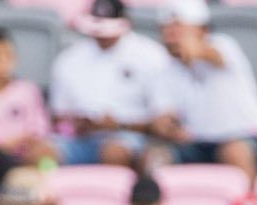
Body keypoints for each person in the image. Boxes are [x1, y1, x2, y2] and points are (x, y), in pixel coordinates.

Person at [158, 0, 257, 182]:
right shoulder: (163, 68)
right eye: (167, 27)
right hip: (199, 144)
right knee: (157, 157)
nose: (172, 33)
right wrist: (169, 128)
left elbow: (211, 54)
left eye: (180, 27)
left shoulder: (224, 45)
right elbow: (165, 116)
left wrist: (195, 49)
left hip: (251, 139)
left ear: (203, 30)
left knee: (234, 150)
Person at [48, 0, 175, 167]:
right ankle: (52, 190)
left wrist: (119, 124)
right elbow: (57, 116)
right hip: (78, 141)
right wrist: (76, 124)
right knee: (43, 155)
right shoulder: (69, 58)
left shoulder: (152, 56)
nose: (102, 36)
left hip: (131, 139)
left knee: (114, 153)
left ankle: (113, 191)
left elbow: (164, 120)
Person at [0, 27, 52, 163]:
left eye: (7, 56)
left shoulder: (28, 90)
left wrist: (24, 139)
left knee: (46, 155)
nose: (2, 61)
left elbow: (39, 127)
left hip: (23, 154)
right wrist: (0, 144)